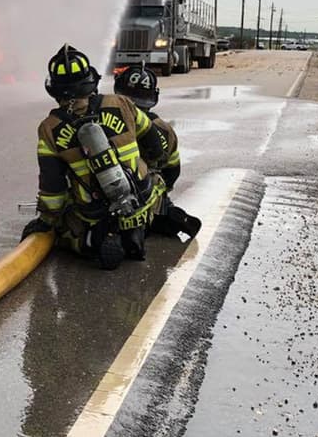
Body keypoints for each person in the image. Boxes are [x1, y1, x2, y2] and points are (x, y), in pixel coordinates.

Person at [22, 45, 170, 270]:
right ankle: (152, 220)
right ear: (91, 81)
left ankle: (92, 241)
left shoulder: (49, 129)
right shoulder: (121, 104)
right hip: (142, 203)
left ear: (53, 89)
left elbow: (53, 190)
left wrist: (46, 222)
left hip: (97, 216)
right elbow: (156, 146)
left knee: (62, 230)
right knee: (156, 186)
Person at [112, 66, 202, 240]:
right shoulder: (165, 130)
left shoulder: (106, 119)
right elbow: (172, 172)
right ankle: (167, 214)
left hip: (111, 195)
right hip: (148, 196)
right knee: (160, 201)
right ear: (153, 97)